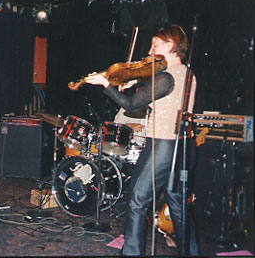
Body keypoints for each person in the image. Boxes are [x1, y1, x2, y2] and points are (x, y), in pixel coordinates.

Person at [85, 24, 198, 255]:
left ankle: (132, 252)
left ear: (170, 45)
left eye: (155, 45)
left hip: (163, 145)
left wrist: (106, 84)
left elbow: (129, 105)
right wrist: (135, 83)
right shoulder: (186, 74)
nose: (149, 51)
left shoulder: (166, 78)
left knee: (137, 201)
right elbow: (158, 95)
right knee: (177, 205)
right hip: (183, 145)